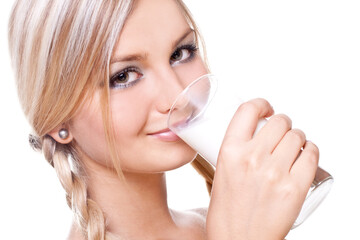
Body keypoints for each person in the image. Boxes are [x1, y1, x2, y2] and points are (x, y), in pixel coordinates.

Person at [8, 0, 319, 239]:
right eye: (124, 76)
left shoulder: (215, 225)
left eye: (180, 53)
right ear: (57, 120)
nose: (176, 97)